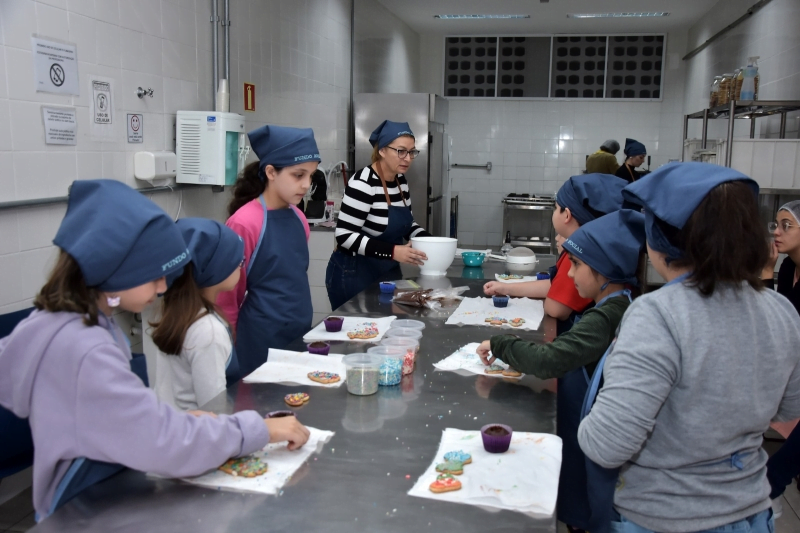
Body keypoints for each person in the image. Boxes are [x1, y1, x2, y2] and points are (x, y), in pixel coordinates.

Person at [0, 180, 310, 519]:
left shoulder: (55, 322)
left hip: (90, 493)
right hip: (85, 511)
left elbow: (110, 422)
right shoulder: (85, 349)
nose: (163, 286)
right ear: (114, 268)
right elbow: (159, 441)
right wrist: (259, 430)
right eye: (154, 276)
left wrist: (177, 420)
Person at [578, 163, 800, 533]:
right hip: (750, 516)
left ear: (660, 239)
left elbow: (606, 445)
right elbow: (789, 407)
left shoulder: (657, 314)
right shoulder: (780, 309)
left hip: (666, 519)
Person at [477, 209, 645, 533]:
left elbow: (549, 360)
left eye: (577, 265)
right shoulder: (619, 303)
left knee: (590, 514)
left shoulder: (605, 318)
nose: (569, 273)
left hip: (594, 451)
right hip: (588, 441)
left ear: (604, 271)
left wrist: (501, 343)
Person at [217, 125, 319, 379]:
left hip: (298, 332)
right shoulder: (245, 223)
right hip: (259, 339)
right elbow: (228, 297)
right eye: (298, 175)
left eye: (311, 176)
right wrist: (229, 346)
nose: (306, 185)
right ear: (271, 172)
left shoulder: (299, 218)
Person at [484, 173, 628, 334]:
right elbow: (554, 286)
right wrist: (506, 288)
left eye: (556, 208)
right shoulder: (599, 245)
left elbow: (555, 308)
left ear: (567, 215)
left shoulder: (581, 252)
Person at [326, 120, 430, 310]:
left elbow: (408, 225)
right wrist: (393, 251)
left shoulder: (400, 181)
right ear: (382, 150)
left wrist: (432, 243)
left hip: (387, 270)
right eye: (401, 151)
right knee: (360, 326)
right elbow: (344, 235)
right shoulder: (363, 183)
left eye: (412, 152)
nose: (408, 158)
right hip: (353, 272)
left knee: (389, 323)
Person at [153, 218, 244, 411]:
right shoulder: (209, 331)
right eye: (238, 260)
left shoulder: (178, 312)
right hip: (198, 428)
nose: (241, 266)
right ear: (214, 269)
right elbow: (214, 410)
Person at [763, 200, 800, 512]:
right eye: (776, 224)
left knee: (779, 471)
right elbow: (776, 320)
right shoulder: (788, 268)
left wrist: (764, 275)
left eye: (787, 225)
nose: (777, 232)